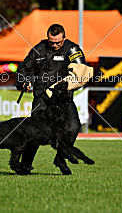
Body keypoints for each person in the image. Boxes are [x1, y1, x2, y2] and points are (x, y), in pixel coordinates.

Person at [15, 24, 93, 173]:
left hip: (63, 99)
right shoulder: (39, 49)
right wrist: (23, 81)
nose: (55, 45)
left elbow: (82, 71)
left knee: (73, 127)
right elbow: (24, 68)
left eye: (58, 42)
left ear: (64, 38)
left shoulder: (72, 49)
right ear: (47, 37)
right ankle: (25, 165)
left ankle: (60, 159)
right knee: (35, 133)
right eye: (52, 42)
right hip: (42, 97)